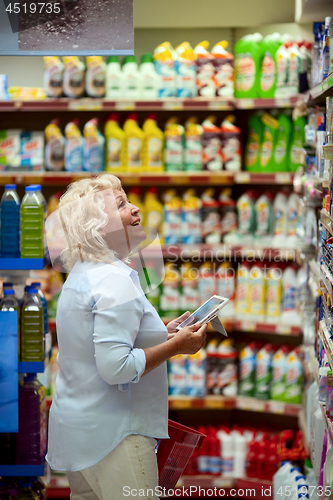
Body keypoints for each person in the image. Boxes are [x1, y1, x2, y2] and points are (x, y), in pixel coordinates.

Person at [46, 173, 207, 500]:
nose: (135, 209)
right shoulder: (113, 280)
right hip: (116, 437)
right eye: (120, 204)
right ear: (95, 226)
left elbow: (100, 339)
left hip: (79, 436)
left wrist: (163, 331)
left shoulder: (84, 274)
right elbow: (116, 367)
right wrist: (177, 345)